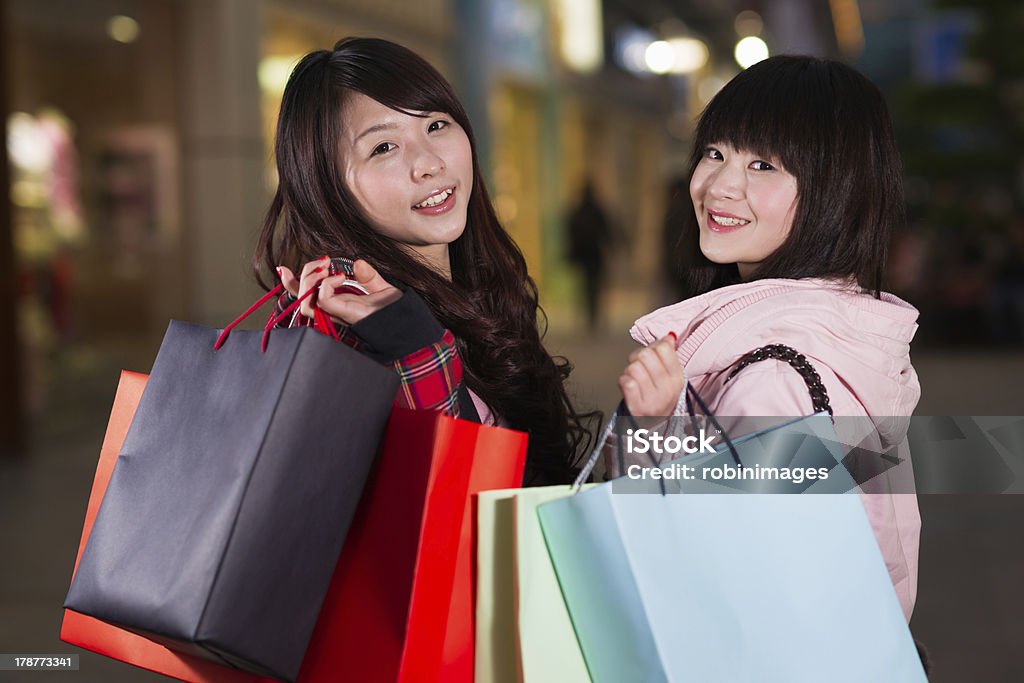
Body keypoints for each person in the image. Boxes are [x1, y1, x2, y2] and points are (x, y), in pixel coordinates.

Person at [616, 56, 922, 623]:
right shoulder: (846, 333)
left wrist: (654, 433)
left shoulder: (774, 381)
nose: (719, 186)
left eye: (762, 164)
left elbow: (713, 574)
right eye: (715, 153)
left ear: (835, 191)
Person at [253, 37, 592, 485]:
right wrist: (408, 343)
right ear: (326, 185)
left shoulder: (479, 289)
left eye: (435, 125)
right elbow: (450, 507)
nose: (429, 164)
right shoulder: (353, 325)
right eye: (383, 148)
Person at [566, 180, 612, 330]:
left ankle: (589, 314)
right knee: (595, 284)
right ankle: (593, 314)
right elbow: (606, 231)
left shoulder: (578, 211)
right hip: (594, 254)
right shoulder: (596, 211)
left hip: (584, 255)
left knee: (586, 285)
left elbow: (571, 233)